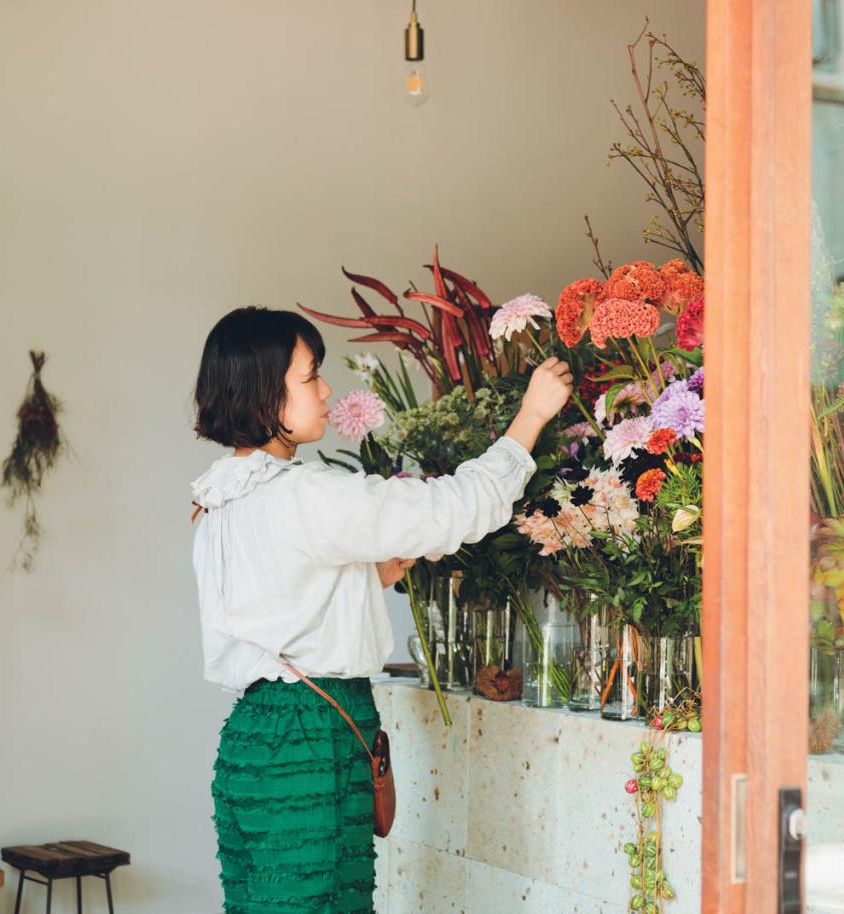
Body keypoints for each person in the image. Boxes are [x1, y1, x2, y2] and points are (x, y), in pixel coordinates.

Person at [188, 306, 572, 913]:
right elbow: (451, 509)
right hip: (310, 740)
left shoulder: (219, 500)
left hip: (257, 736)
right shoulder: (305, 494)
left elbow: (280, 602)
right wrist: (530, 418)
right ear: (266, 393)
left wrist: (370, 575)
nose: (325, 390)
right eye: (310, 376)